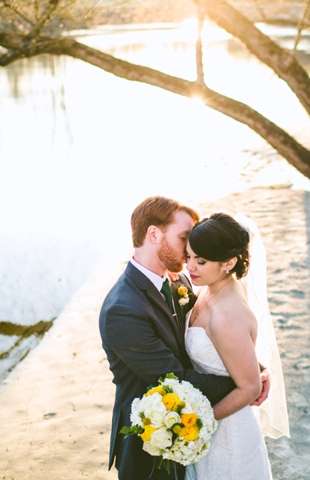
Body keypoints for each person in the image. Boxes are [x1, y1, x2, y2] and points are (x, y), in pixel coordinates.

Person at [99, 197, 270, 480]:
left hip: (197, 424)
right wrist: (247, 384)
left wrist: (255, 370)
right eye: (184, 238)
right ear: (154, 234)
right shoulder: (123, 309)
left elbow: (221, 340)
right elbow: (174, 376)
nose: (192, 251)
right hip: (151, 439)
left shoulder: (181, 280)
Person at [184, 213, 290, 480]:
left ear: (229, 262)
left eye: (201, 261)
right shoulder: (211, 287)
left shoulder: (225, 316)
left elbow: (250, 388)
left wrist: (198, 424)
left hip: (228, 431)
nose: (190, 267)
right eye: (188, 256)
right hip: (213, 420)